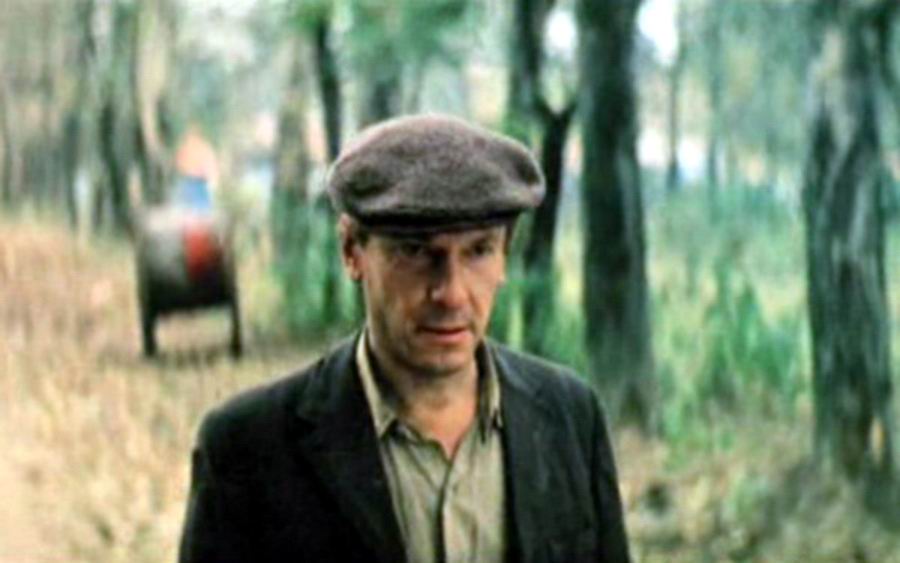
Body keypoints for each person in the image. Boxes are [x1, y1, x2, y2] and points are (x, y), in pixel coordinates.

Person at [178, 114, 631, 563]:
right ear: (352, 250)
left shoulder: (571, 419)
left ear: (505, 255)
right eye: (415, 251)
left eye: (478, 251)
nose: (450, 293)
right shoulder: (246, 451)